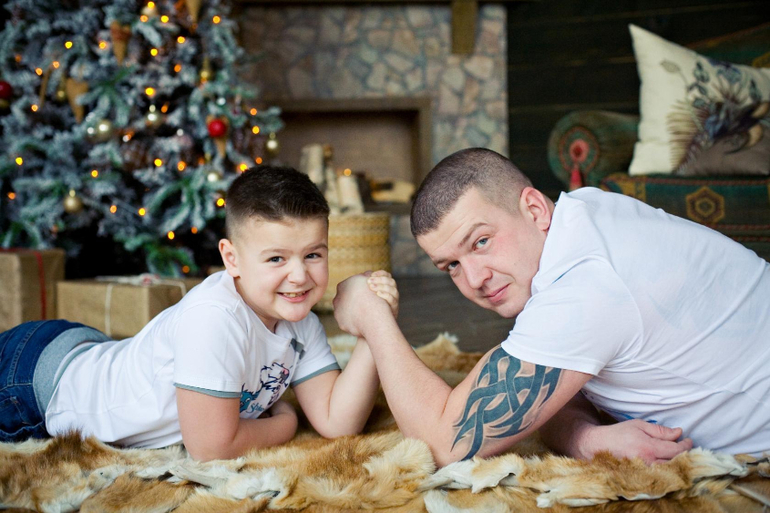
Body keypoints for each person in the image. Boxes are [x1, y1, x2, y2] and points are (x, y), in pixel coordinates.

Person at [332, 148, 770, 468]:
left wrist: (373, 316)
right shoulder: (584, 210)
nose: (475, 279)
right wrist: (586, 438)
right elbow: (559, 385)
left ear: (533, 208)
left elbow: (443, 442)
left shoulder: (582, 290)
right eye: (451, 266)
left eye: (481, 241)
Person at [0, 165, 399, 461]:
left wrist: (374, 326)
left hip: (87, 353)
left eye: (313, 255)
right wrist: (287, 423)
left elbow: (337, 422)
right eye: (276, 258)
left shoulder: (300, 322)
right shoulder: (215, 318)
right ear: (232, 258)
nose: (299, 276)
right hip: (37, 386)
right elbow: (211, 448)